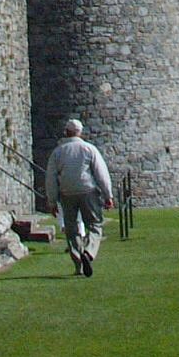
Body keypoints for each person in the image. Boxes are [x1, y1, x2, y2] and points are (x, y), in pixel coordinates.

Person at [44, 118, 113, 277]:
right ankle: (88, 252)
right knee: (95, 224)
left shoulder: (58, 152)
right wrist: (108, 195)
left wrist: (52, 201)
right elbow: (101, 174)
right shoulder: (89, 149)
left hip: (67, 193)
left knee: (72, 229)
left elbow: (51, 178)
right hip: (88, 190)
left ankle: (79, 264)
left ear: (66, 132)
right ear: (80, 132)